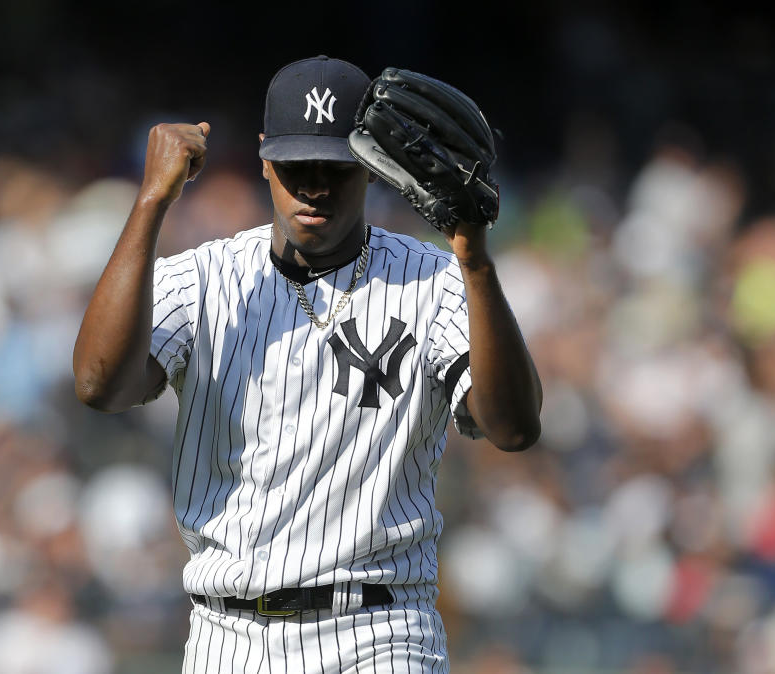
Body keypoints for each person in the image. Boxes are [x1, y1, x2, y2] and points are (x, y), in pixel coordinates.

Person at [73, 55, 542, 673]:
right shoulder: (205, 278)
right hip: (226, 634)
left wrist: (476, 261)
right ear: (265, 159)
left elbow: (513, 427)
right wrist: (152, 201)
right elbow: (98, 384)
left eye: (334, 167)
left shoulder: (436, 280)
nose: (314, 186)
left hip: (380, 629)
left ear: (372, 166)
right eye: (297, 168)